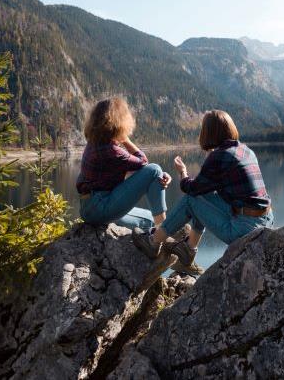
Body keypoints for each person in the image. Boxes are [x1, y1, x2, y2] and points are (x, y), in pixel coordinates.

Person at [133, 110, 273, 274]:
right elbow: (208, 187)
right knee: (203, 196)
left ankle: (153, 242)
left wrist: (183, 172)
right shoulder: (245, 150)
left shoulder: (219, 157)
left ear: (209, 132)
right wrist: (211, 158)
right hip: (265, 219)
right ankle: (188, 249)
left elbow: (190, 188)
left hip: (244, 230)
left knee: (192, 199)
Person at [75, 97, 171, 231]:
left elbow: (133, 172)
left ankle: (160, 230)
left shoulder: (94, 144)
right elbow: (144, 162)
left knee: (149, 219)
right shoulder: (111, 150)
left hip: (90, 208)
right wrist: (125, 140)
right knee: (155, 169)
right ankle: (164, 233)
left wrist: (160, 176)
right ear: (119, 123)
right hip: (100, 207)